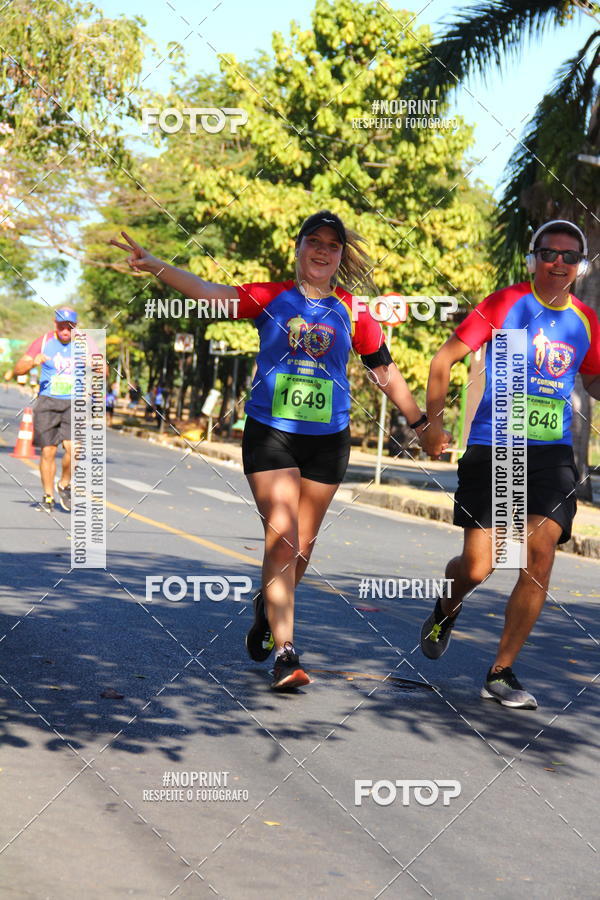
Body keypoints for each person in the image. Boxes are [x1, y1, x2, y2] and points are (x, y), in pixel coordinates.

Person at [111, 212, 449, 691]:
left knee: (302, 548)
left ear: (339, 257)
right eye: (314, 241)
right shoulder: (271, 298)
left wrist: (420, 424)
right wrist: (156, 265)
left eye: (332, 245)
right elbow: (212, 294)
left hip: (329, 441)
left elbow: (385, 372)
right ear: (298, 248)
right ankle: (286, 653)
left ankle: (267, 609)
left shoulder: (355, 312)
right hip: (271, 432)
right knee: (283, 536)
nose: (322, 251)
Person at [421, 219, 600, 709]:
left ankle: (501, 672)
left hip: (550, 455)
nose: (558, 262)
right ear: (533, 259)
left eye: (568, 256)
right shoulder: (507, 305)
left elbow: (593, 379)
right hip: (495, 446)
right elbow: (444, 360)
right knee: (479, 566)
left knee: (539, 554)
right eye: (549, 253)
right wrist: (433, 426)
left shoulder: (585, 320)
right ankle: (447, 605)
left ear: (580, 267)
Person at [13, 308, 80, 513]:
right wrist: (33, 362)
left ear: (75, 327)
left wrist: (94, 365)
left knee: (75, 449)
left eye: (69, 326)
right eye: (61, 325)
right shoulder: (43, 342)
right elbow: (18, 369)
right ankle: (48, 496)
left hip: (73, 402)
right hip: (47, 401)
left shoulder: (84, 345)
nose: (65, 330)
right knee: (48, 451)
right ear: (55, 324)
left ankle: (64, 484)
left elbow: (102, 370)